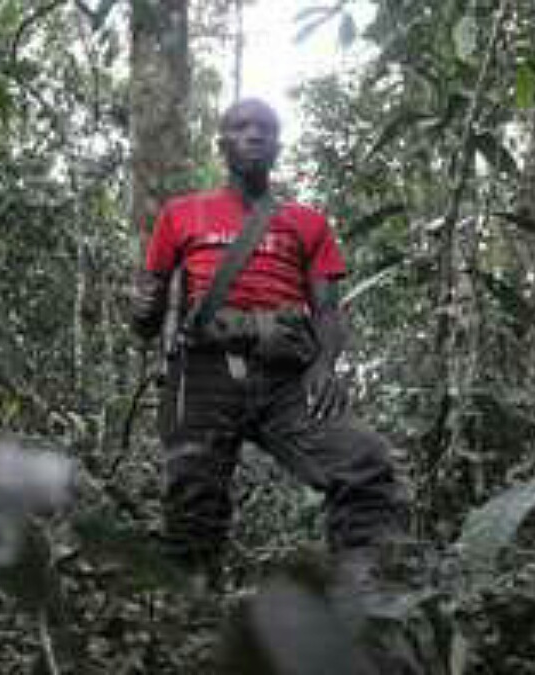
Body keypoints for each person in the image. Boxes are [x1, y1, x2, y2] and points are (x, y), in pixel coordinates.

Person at [131, 98, 406, 584]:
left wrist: (325, 368)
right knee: (193, 502)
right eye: (240, 127)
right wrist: (144, 313)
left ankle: (363, 602)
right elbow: (147, 313)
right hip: (204, 373)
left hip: (285, 377)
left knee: (364, 463)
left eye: (264, 129)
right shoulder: (181, 214)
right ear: (222, 144)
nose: (253, 135)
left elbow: (326, 308)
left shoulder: (308, 222)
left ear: (278, 145)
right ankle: (189, 624)